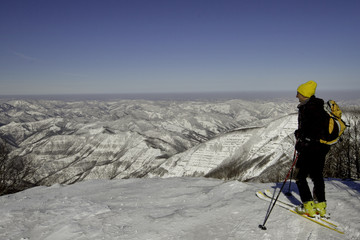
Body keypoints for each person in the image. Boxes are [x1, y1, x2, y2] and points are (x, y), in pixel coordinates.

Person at [294, 80, 330, 217]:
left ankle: (308, 206)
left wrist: (300, 136)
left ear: (305, 94)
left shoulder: (309, 109)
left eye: (299, 93)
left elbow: (310, 131)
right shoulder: (318, 107)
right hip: (322, 148)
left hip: (310, 148)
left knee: (299, 176)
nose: (296, 95)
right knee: (317, 176)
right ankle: (321, 206)